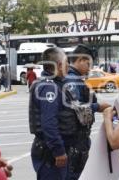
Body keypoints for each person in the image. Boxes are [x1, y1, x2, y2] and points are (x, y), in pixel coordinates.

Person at [64, 45, 111, 180]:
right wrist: (98, 107)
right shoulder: (72, 80)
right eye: (88, 64)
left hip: (79, 139)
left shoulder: (75, 79)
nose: (90, 68)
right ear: (79, 60)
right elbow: (77, 108)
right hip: (75, 140)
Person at [29, 47, 70, 180]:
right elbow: (49, 123)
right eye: (66, 62)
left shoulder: (54, 84)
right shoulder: (49, 87)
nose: (68, 66)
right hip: (49, 154)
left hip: (49, 151)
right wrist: (59, 151)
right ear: (59, 65)